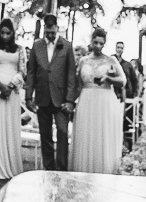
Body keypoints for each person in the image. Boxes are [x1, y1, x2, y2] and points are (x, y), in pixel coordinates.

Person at [24, 14, 77, 171]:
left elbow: (71, 75)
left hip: (61, 99)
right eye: (47, 33)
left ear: (57, 28)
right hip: (42, 97)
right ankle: (49, 169)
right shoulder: (37, 45)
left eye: (53, 32)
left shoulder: (67, 46)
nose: (50, 36)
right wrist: (28, 97)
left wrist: (70, 100)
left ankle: (61, 169)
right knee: (45, 135)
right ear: (44, 30)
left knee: (62, 132)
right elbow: (31, 72)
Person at [69, 27, 125, 174]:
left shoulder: (111, 60)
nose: (98, 46)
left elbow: (123, 81)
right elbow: (78, 85)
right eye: (96, 42)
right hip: (86, 100)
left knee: (102, 135)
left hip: (104, 101)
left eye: (101, 43)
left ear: (105, 43)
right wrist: (70, 102)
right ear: (91, 41)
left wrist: (108, 78)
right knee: (86, 135)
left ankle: (103, 170)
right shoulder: (83, 61)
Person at [0, 18, 27, 180]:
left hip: (12, 93)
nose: (4, 36)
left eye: (8, 33)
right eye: (2, 33)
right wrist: (1, 87)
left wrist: (10, 86)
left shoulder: (19, 49)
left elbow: (23, 70)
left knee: (9, 125)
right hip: (0, 90)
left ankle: (9, 164)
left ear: (12, 33)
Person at [112, 41, 139, 151]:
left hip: (126, 97)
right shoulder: (110, 61)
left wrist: (135, 95)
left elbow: (134, 81)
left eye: (121, 48)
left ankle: (125, 146)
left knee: (126, 122)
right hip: (113, 95)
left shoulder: (127, 65)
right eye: (118, 47)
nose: (119, 49)